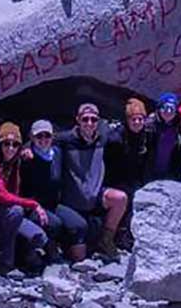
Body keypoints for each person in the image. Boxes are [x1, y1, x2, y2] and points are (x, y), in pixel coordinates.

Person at [57, 103, 129, 260]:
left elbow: (125, 131)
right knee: (79, 257)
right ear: (78, 120)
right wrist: (27, 148)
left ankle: (106, 239)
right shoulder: (66, 139)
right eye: (85, 119)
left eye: (93, 120)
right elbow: (43, 141)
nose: (89, 123)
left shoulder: (103, 137)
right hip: (73, 199)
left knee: (120, 198)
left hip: (95, 195)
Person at [0, 122, 49, 274]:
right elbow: (1, 195)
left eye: (15, 144)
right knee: (16, 211)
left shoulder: (17, 162)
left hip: (7, 213)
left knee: (38, 237)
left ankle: (24, 260)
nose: (10, 148)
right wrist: (34, 205)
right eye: (6, 144)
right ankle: (5, 262)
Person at [21, 120, 88, 263]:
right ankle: (49, 252)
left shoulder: (57, 153)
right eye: (39, 136)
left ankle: (71, 255)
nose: (44, 140)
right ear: (32, 138)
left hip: (53, 203)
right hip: (33, 205)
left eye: (47, 136)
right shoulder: (26, 157)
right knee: (54, 224)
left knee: (79, 224)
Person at [104, 98, 152, 250]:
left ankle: (128, 235)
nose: (137, 122)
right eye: (133, 119)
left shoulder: (145, 136)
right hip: (116, 179)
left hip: (135, 178)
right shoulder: (116, 138)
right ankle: (113, 237)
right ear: (127, 120)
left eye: (140, 119)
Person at [148, 93, 181, 181]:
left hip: (168, 172)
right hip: (148, 171)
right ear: (159, 109)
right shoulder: (150, 125)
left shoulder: (177, 126)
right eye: (165, 108)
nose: (168, 112)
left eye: (172, 108)